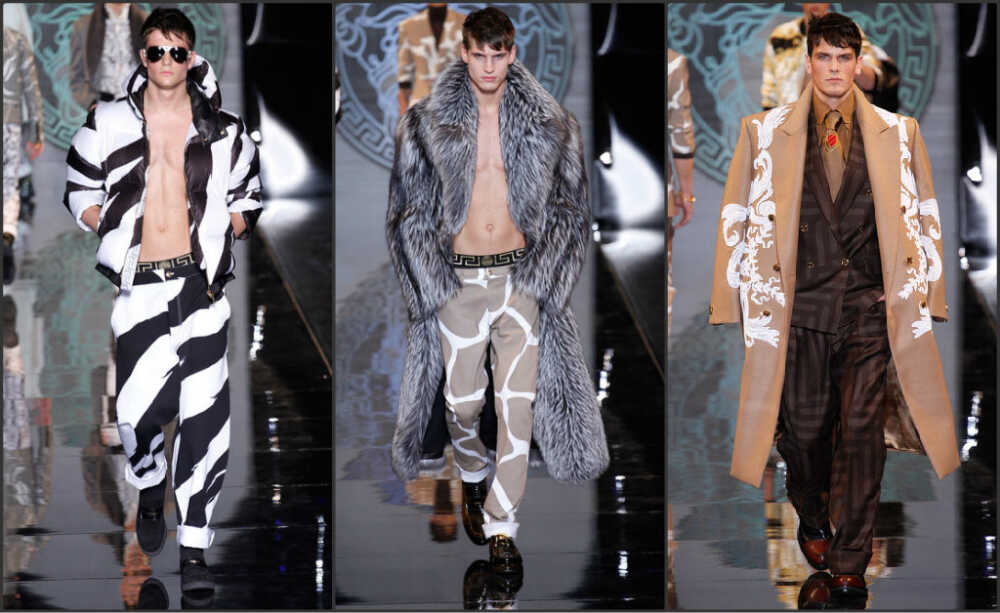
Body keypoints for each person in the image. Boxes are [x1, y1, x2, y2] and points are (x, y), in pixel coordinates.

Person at [710, 12, 958, 605]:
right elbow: (737, 214)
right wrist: (729, 297)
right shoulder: (763, 132)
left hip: (868, 304)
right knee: (803, 433)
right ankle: (814, 515)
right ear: (809, 62)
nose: (834, 69)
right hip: (800, 307)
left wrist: (923, 289)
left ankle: (850, 560)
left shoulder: (899, 132)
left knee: (863, 433)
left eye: (845, 58)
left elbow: (923, 211)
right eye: (824, 57)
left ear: (857, 62)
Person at [386, 7, 608, 574]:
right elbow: (406, 212)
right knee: (462, 405)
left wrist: (548, 277)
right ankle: (471, 471)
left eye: (498, 54)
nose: (488, 66)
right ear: (464, 53)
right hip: (458, 284)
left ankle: (503, 525)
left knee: (517, 409)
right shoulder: (424, 123)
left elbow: (571, 208)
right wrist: (427, 281)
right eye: (479, 54)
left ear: (513, 53)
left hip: (520, 282)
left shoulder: (551, 124)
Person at [63, 8, 262, 593]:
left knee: (206, 421)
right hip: (141, 287)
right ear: (143, 57)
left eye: (177, 51)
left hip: (201, 290)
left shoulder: (225, 129)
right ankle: (149, 479)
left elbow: (248, 196)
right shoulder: (108, 121)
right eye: (156, 51)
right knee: (134, 415)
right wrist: (113, 234)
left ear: (192, 57)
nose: (167, 61)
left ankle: (195, 548)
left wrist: (223, 236)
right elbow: (78, 187)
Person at [761, 3, 896, 111]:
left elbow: (874, 81)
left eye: (844, 57)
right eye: (823, 57)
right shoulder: (780, 36)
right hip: (788, 124)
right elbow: (769, 97)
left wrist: (848, 63)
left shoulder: (847, 30)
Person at [3, 26, 44, 285]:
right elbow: (31, 86)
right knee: (9, 181)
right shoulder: (16, 38)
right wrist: (37, 130)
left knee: (10, 180)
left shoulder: (17, 39)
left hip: (11, 118)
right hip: (10, 118)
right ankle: (7, 235)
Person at [69, 3, 148, 110]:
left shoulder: (149, 22)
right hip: (103, 107)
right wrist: (91, 104)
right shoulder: (83, 26)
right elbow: (77, 78)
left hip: (141, 106)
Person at [667, 48, 695, 335]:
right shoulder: (671, 62)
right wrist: (686, 193)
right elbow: (680, 131)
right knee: (660, 285)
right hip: (657, 189)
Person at [397, 3, 466, 116]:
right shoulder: (408, 26)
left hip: (456, 106)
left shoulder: (466, 24)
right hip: (420, 107)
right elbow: (404, 79)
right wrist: (403, 115)